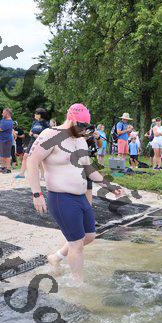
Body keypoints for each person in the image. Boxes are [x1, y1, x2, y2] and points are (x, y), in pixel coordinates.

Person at [27, 104, 122, 282]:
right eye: (80, 126)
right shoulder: (51, 135)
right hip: (61, 197)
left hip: (80, 197)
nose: (83, 130)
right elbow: (32, 161)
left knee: (89, 236)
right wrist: (37, 194)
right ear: (70, 119)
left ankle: (56, 257)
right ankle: (79, 286)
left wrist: (108, 185)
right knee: (76, 244)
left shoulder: (80, 139)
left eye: (86, 127)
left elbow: (88, 168)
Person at [16, 108, 49, 179]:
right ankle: (21, 174)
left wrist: (39, 136)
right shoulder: (35, 122)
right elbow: (30, 132)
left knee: (40, 159)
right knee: (25, 156)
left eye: (36, 113)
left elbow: (47, 133)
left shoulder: (45, 123)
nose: (35, 115)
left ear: (40, 115)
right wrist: (32, 134)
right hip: (32, 141)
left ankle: (43, 175)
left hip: (41, 142)